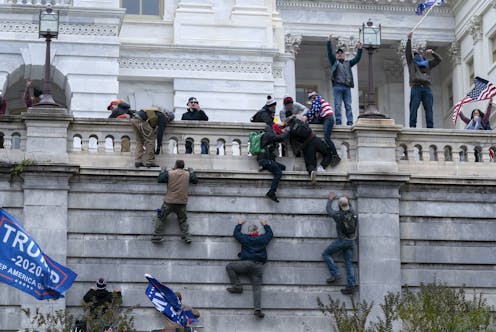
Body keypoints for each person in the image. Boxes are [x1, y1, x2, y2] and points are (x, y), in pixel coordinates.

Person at [226, 218, 273, 319]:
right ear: (257, 232)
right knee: (257, 288)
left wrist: (239, 224)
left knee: (229, 267)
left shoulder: (246, 238)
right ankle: (257, 309)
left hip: (246, 264)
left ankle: (237, 286)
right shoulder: (262, 239)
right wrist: (265, 225)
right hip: (258, 267)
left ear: (249, 232)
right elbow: (270, 235)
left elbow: (236, 234)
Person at [152, 159, 198, 244]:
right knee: (183, 220)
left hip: (169, 201)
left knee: (161, 217)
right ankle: (186, 236)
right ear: (183, 166)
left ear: (175, 165)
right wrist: (192, 172)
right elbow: (195, 180)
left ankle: (157, 235)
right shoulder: (187, 174)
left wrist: (162, 171)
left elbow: (160, 179)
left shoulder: (170, 173)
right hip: (182, 202)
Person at [284, 111, 339, 181]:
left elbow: (293, 143)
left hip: (306, 145)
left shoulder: (290, 129)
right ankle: (321, 167)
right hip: (314, 139)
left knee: (310, 164)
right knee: (328, 153)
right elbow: (307, 122)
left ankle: (312, 171)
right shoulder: (298, 119)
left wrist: (296, 152)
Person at [322, 192, 357, 295]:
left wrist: (330, 199)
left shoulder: (337, 215)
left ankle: (335, 273)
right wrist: (347, 199)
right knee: (348, 262)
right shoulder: (353, 212)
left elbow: (329, 210)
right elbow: (348, 206)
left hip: (342, 241)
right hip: (351, 241)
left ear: (339, 206)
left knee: (326, 254)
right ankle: (351, 285)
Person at [406, 31, 442, 128]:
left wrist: (433, 53)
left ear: (422, 56)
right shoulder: (412, 63)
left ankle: (430, 127)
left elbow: (439, 60)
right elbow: (408, 53)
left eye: (418, 54)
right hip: (416, 87)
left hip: (427, 88)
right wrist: (409, 40)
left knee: (429, 108)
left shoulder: (427, 64)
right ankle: (412, 126)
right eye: (415, 55)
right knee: (414, 107)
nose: (416, 56)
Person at [327, 34, 363, 126]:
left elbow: (357, 59)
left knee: (348, 106)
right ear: (336, 56)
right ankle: (338, 121)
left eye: (341, 53)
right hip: (337, 86)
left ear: (344, 55)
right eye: (338, 54)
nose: (340, 54)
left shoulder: (348, 63)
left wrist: (359, 50)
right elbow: (329, 53)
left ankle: (350, 122)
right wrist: (328, 42)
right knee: (338, 105)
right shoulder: (334, 63)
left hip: (346, 87)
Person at [258, 123, 290, 202]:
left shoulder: (264, 136)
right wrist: (288, 131)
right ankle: (271, 192)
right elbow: (281, 138)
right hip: (265, 161)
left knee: (283, 167)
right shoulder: (268, 135)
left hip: (266, 160)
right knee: (278, 173)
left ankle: (264, 167)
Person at [306, 91, 340, 160]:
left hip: (328, 118)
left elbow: (313, 111)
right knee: (312, 123)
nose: (311, 101)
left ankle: (335, 155)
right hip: (325, 118)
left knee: (327, 138)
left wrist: (307, 117)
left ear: (313, 97)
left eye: (310, 99)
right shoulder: (320, 100)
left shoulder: (317, 99)